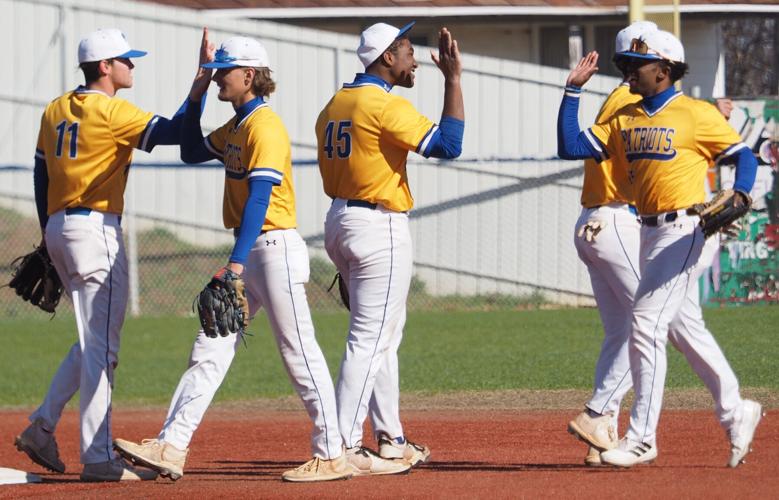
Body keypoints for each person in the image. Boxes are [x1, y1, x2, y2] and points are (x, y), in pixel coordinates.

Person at [113, 29, 350, 483]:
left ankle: (332, 452)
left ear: (249, 75)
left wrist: (235, 265)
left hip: (272, 248)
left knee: (299, 353)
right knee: (210, 347)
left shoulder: (265, 125)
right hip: (253, 250)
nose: (221, 77)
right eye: (217, 71)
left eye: (225, 72)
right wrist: (199, 86)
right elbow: (187, 149)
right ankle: (172, 445)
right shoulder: (237, 124)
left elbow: (260, 196)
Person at [558, 30, 762, 468]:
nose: (629, 69)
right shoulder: (625, 115)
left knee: (646, 324)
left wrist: (741, 193)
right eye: (627, 63)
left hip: (685, 229)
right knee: (685, 327)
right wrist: (572, 91)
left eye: (639, 64)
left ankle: (642, 437)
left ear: (664, 71)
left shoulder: (694, 114)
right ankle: (736, 411)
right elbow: (571, 146)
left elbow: (743, 155)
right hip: (645, 231)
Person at [14, 28, 192, 482]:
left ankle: (42, 426)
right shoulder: (112, 111)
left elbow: (40, 174)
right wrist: (200, 87)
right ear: (105, 67)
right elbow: (174, 133)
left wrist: (46, 234)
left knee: (91, 342)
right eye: (125, 60)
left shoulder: (55, 109)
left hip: (59, 226)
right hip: (95, 232)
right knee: (104, 351)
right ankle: (97, 458)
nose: (132, 66)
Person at [315, 22, 464, 475]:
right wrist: (454, 80)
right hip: (378, 225)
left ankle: (392, 438)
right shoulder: (382, 103)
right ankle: (339, 444)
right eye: (406, 51)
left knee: (383, 337)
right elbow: (449, 145)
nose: (414, 58)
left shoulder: (334, 103)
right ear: (385, 58)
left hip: (340, 221)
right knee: (371, 339)